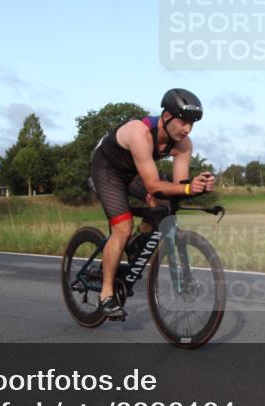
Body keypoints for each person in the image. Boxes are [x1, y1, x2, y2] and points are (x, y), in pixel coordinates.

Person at [90, 88, 216, 319]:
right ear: (166, 116)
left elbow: (179, 186)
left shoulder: (183, 144)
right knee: (123, 227)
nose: (187, 129)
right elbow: (152, 185)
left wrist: (198, 185)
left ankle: (138, 240)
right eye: (183, 122)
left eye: (192, 124)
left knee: (164, 205)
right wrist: (187, 188)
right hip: (108, 170)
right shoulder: (140, 133)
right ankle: (106, 294)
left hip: (134, 172)